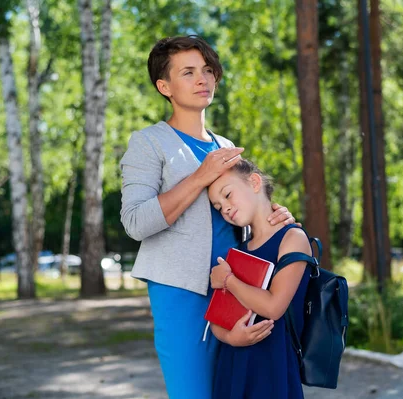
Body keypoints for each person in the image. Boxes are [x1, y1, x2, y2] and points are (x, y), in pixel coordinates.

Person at [120, 36, 294, 399]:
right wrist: (200, 176)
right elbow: (135, 223)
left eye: (207, 70)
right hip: (180, 293)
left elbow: (245, 211)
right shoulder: (148, 142)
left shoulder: (226, 146)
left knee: (235, 391)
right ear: (164, 86)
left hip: (236, 286)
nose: (203, 79)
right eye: (188, 72)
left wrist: (272, 216)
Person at [208, 159, 312, 399]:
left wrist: (229, 281)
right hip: (232, 364)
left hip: (272, 367)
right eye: (217, 206)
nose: (224, 208)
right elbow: (217, 320)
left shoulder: (292, 238)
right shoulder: (237, 252)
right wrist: (230, 338)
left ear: (254, 182)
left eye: (228, 195)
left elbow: (273, 307)